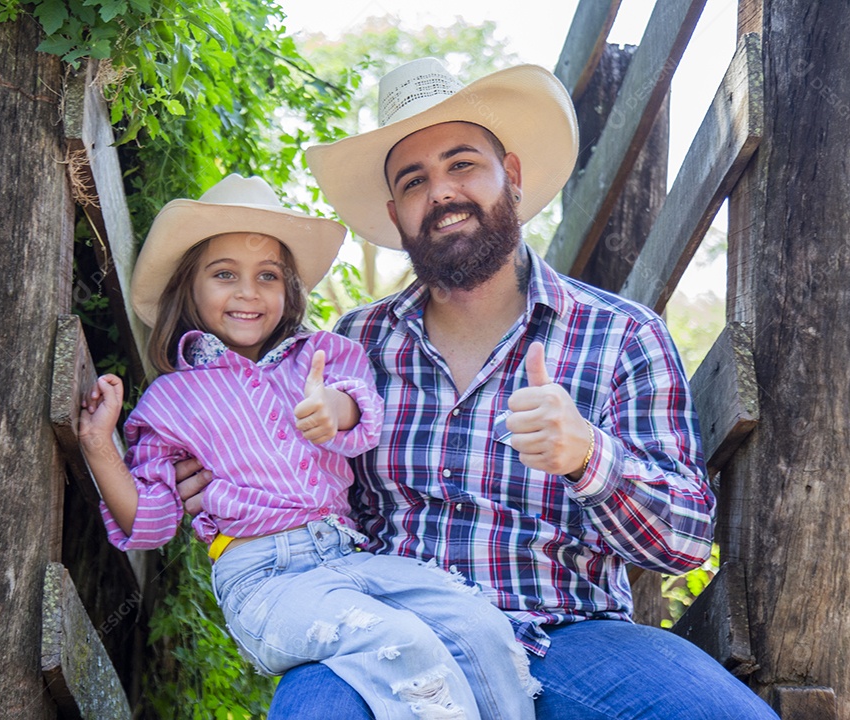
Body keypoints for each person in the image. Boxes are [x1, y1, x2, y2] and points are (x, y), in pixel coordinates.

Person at [178, 60, 781, 719]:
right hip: (385, 631)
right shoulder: (352, 345)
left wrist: (588, 457)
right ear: (396, 214)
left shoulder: (620, 336)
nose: (441, 192)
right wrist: (215, 473)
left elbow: (686, 542)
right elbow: (285, 464)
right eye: (415, 181)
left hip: (569, 635)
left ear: (511, 178)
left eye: (461, 164)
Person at [78, 173, 541, 720]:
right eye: (224, 274)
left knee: (476, 624)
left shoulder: (321, 356)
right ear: (189, 287)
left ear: (288, 289)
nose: (248, 292)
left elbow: (359, 412)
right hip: (264, 579)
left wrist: (333, 411)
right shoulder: (170, 400)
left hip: (351, 554)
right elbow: (150, 522)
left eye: (267, 276)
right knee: (399, 642)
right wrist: (98, 444)